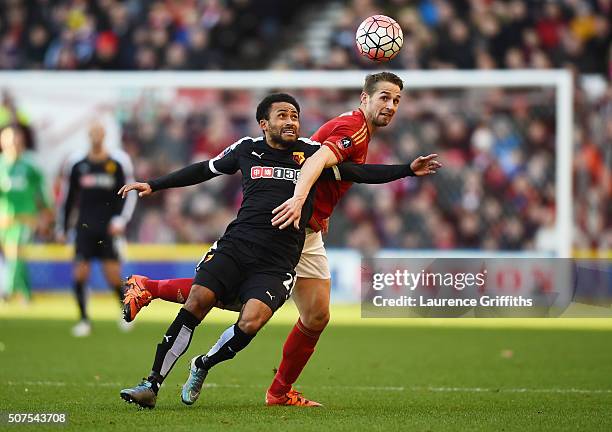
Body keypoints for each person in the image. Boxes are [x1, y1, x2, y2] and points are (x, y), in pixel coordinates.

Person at [120, 74, 441, 406]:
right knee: (205, 298)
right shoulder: (265, 146)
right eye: (282, 116)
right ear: (263, 123)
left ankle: (251, 380)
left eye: (294, 116)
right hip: (257, 237)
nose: (290, 121)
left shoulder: (310, 147)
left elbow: (355, 172)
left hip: (297, 239)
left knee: (299, 316)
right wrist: (154, 185)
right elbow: (206, 168)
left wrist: (404, 169)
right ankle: (152, 367)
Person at [57, 121, 136, 337]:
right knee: (80, 271)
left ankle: (126, 311)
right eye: (92, 133)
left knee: (112, 276)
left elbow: (128, 193)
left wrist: (120, 220)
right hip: (84, 227)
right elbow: (68, 198)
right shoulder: (77, 165)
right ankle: (83, 320)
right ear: (88, 136)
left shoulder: (117, 163)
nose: (96, 137)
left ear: (104, 135)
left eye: (99, 133)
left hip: (108, 228)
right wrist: (62, 227)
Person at [0, 126, 52, 302]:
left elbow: (42, 193)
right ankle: (27, 294)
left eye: (16, 138)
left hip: (25, 219)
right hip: (3, 220)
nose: (13, 142)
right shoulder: (1, 165)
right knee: (15, 257)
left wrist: (46, 216)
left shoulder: (31, 166)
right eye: (9, 138)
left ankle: (6, 292)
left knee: (15, 252)